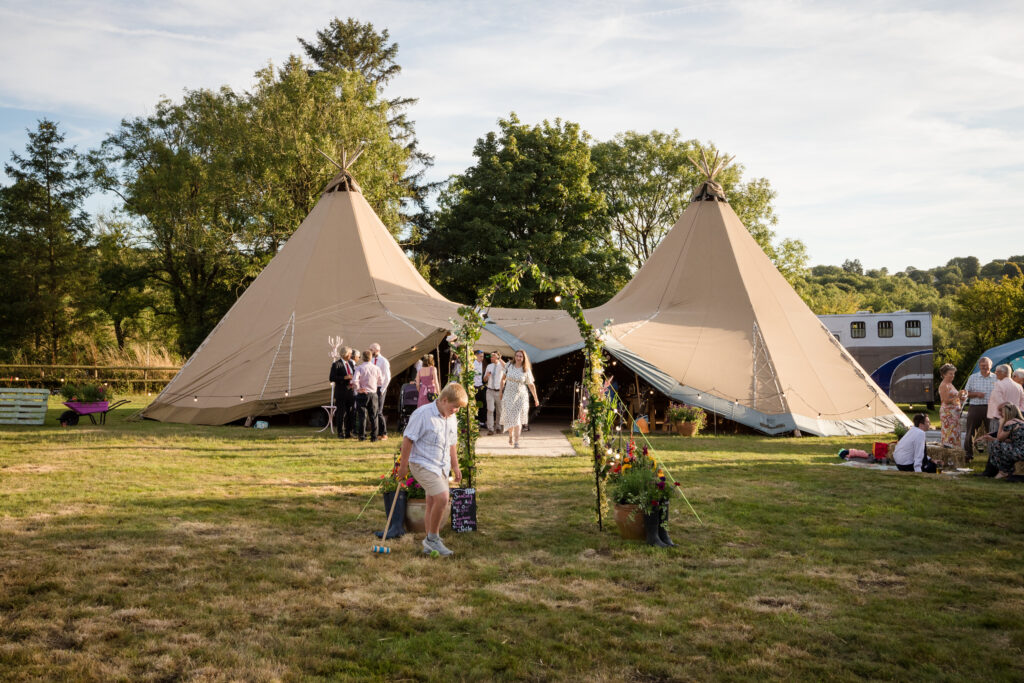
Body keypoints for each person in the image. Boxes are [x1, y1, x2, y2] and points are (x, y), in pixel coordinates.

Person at [396, 382, 467, 557]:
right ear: (443, 400)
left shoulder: (451, 417)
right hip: (422, 463)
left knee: (432, 502)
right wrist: (403, 466)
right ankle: (433, 539)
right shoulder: (422, 414)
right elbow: (408, 439)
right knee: (442, 498)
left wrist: (455, 466)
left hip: (441, 465)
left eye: (459, 408)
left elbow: (452, 443)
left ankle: (429, 542)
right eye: (455, 407)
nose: (456, 411)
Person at [500, 349, 539, 449]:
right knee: (510, 418)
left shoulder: (526, 370)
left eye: (520, 356)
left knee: (517, 419)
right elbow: (503, 379)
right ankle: (510, 435)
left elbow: (531, 385)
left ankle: (516, 442)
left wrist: (536, 398)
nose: (518, 358)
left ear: (523, 358)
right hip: (508, 395)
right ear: (514, 356)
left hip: (521, 396)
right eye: (517, 356)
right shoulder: (509, 365)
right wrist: (501, 391)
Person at [978, 403, 1024, 479]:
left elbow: (1000, 438)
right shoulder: (1021, 422)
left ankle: (1004, 471)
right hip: (1021, 451)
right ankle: (1004, 471)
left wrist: (1001, 423)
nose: (1001, 415)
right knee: (1002, 445)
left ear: (1007, 413)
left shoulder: (1010, 423)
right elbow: (1013, 440)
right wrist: (992, 438)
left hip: (1020, 453)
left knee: (997, 444)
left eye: (1002, 412)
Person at [963, 357, 997, 462]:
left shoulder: (996, 378)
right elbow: (965, 393)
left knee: (992, 432)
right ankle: (968, 455)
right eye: (982, 365)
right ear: (979, 366)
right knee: (970, 432)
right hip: (975, 407)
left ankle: (994, 456)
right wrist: (976, 394)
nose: (984, 367)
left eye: (986, 365)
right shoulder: (973, 377)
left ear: (991, 366)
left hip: (991, 408)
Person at [351, 349, 384, 441]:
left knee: (362, 416)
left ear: (362, 358)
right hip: (373, 393)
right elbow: (381, 381)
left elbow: (354, 380)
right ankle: (374, 437)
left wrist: (358, 389)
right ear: (371, 358)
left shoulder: (359, 368)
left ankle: (362, 436)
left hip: (362, 393)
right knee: (374, 416)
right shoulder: (376, 368)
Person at [988, 364, 1024, 432]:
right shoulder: (999, 384)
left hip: (1010, 419)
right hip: (1003, 418)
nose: (1022, 383)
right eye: (1021, 381)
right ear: (1014, 376)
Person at [937, 363, 965, 449]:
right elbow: (946, 401)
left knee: (955, 433)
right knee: (949, 434)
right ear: (944, 374)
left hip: (955, 414)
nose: (953, 375)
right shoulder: (943, 385)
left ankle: (955, 453)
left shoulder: (950, 384)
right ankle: (949, 454)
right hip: (948, 415)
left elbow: (954, 399)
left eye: (953, 373)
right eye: (950, 373)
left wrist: (962, 397)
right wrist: (957, 396)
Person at [370, 343, 391, 441]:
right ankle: (377, 432)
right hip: (372, 387)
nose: (370, 351)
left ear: (376, 350)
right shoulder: (370, 360)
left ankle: (384, 433)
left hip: (380, 388)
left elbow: (387, 377)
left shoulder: (384, 361)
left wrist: (382, 389)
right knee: (373, 410)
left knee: (379, 411)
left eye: (371, 350)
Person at [483, 351, 505, 435]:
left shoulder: (501, 366)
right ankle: (490, 429)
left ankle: (498, 427)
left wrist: (499, 359)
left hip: (499, 391)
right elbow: (484, 380)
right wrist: (487, 376)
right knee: (490, 410)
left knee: (499, 410)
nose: (491, 358)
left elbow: (507, 367)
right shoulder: (489, 366)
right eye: (491, 356)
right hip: (490, 390)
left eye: (493, 356)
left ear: (498, 357)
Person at [472, 349, 486, 425]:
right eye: (480, 356)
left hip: (481, 386)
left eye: (483, 356)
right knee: (475, 404)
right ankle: (475, 421)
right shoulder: (472, 364)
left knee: (483, 404)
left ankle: (482, 421)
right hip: (474, 387)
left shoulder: (483, 364)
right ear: (476, 356)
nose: (482, 358)